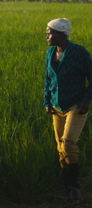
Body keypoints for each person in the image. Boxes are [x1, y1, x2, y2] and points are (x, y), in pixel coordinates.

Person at [44, 18, 92, 201]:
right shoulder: (50, 53)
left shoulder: (79, 52)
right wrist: (47, 102)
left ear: (60, 34)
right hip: (57, 106)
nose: (47, 35)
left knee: (68, 143)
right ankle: (67, 187)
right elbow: (48, 80)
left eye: (50, 32)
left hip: (76, 105)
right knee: (60, 146)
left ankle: (75, 187)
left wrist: (87, 99)